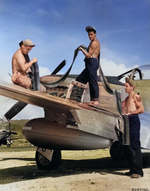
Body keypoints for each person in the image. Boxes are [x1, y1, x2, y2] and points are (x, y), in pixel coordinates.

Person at [122, 77, 144, 178]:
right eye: (124, 85)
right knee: (128, 145)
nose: (124, 87)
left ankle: (138, 171)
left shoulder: (136, 96)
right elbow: (120, 107)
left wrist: (132, 112)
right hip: (127, 120)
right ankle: (132, 170)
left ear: (132, 87)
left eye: (126, 86)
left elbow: (141, 109)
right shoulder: (126, 99)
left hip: (133, 120)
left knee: (134, 145)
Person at [76, 26, 100, 105]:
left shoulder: (94, 43)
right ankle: (77, 97)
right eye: (89, 34)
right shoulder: (92, 42)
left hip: (92, 62)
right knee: (80, 79)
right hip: (90, 63)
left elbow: (88, 55)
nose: (90, 36)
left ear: (95, 34)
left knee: (93, 81)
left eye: (91, 34)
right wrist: (85, 48)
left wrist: (81, 49)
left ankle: (95, 100)